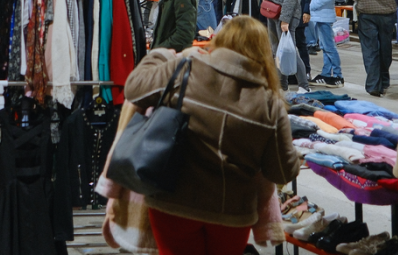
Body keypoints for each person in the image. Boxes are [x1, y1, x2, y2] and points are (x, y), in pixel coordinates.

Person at [123, 15, 301, 255]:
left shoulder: (184, 69)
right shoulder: (269, 103)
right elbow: (281, 171)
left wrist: (159, 54)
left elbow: (134, 88)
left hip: (173, 200)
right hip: (232, 210)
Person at [308, 0, 343, 87]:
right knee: (325, 45)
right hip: (323, 14)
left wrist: (312, 5)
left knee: (329, 46)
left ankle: (338, 76)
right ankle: (326, 74)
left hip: (323, 15)